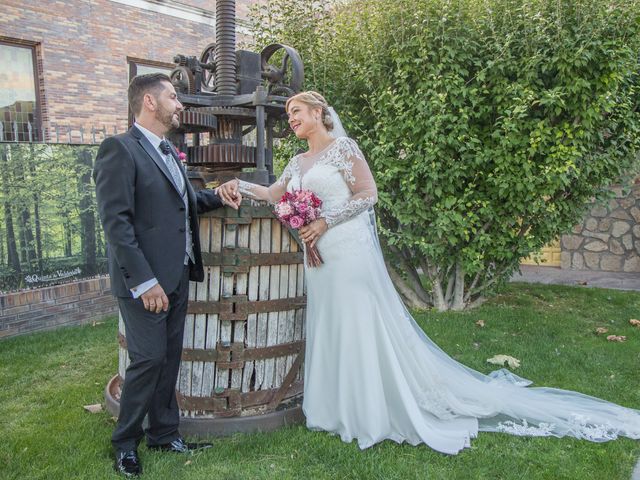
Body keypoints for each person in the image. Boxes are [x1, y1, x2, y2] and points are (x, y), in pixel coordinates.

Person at [216, 91, 640, 454]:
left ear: (319, 114)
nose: (291, 119)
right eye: (288, 114)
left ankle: (370, 409)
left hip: (348, 249)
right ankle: (333, 409)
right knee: (330, 325)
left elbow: (368, 194)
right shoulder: (297, 161)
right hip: (320, 258)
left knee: (360, 325)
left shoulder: (345, 149)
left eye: (297, 112)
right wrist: (237, 184)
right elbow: (274, 193)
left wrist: (326, 221)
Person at [94, 73, 240, 477]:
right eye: (173, 97)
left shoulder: (168, 151)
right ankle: (125, 443)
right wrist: (144, 282)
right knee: (148, 360)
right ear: (149, 102)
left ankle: (164, 433)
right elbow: (117, 225)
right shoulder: (119, 150)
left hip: (176, 275)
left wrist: (219, 196)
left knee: (169, 358)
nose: (180, 105)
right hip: (145, 283)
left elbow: (184, 203)